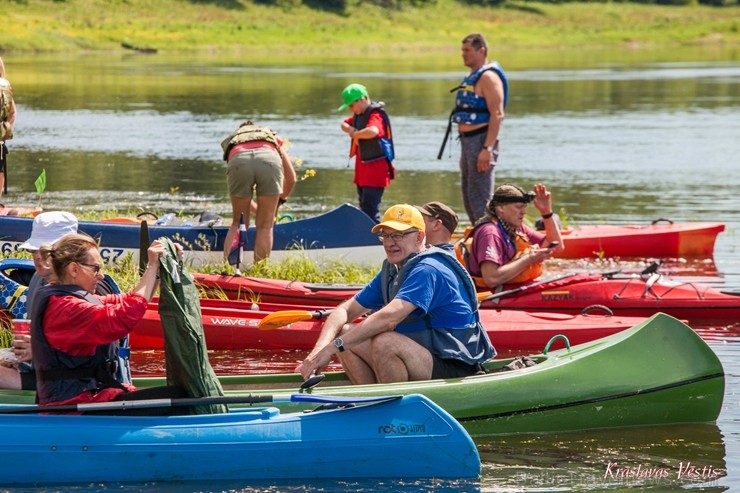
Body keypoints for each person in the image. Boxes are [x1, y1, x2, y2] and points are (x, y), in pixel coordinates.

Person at [297, 204, 495, 385]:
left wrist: (332, 349)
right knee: (347, 332)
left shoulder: (428, 269)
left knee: (386, 343)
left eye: (398, 236)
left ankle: (391, 413)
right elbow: (345, 311)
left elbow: (389, 318)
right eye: (385, 235)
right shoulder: (394, 269)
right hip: (421, 357)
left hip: (455, 367)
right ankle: (369, 403)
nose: (389, 243)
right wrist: (319, 351)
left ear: (419, 237)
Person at [30, 233, 189, 413]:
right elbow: (122, 316)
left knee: (177, 396)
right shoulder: (66, 308)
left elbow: (128, 300)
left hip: (90, 399)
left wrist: (158, 270)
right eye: (95, 268)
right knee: (180, 397)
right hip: (74, 407)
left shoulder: (72, 298)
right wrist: (151, 266)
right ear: (74, 270)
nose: (101, 276)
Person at [439, 33, 508, 225]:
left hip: (481, 141)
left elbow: (497, 114)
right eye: (462, 50)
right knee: (469, 195)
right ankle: (479, 233)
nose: (463, 54)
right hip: (468, 141)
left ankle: (491, 239)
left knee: (480, 197)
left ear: (482, 51)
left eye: (467, 50)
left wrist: (487, 149)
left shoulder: (489, 77)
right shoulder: (472, 76)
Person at [459, 183, 564, 290]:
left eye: (524, 207)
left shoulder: (516, 228)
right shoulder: (490, 233)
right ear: (500, 208)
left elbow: (557, 246)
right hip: (491, 296)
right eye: (518, 207)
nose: (524, 212)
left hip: (510, 290)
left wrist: (546, 212)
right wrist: (529, 259)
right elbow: (491, 279)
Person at [221, 120, 297, 263]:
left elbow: (241, 196)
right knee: (265, 225)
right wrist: (280, 200)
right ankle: (259, 270)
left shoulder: (236, 139)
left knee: (238, 222)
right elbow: (291, 178)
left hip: (239, 159)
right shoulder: (269, 136)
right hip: (269, 158)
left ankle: (228, 267)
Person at [339, 83, 395, 223]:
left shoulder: (375, 115)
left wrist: (356, 134)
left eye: (352, 105)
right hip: (363, 173)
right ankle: (366, 237)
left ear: (362, 99)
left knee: (370, 209)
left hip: (375, 172)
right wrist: (351, 130)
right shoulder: (359, 115)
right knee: (364, 207)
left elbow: (373, 131)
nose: (351, 109)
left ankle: (375, 239)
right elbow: (343, 124)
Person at [0, 56, 18, 198]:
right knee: (0, 171)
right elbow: (13, 113)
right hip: (1, 137)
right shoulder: (6, 86)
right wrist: (5, 130)